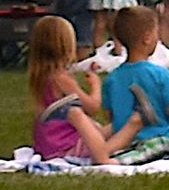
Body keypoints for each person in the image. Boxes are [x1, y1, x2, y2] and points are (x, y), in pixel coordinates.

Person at [27, 15, 143, 164]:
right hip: (66, 146)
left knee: (110, 126)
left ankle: (135, 118)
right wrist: (96, 85)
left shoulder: (41, 76)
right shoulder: (62, 78)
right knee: (116, 128)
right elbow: (92, 107)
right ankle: (134, 123)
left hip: (50, 144)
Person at [100, 6, 169, 164]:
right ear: (147, 38)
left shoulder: (112, 78)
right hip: (158, 138)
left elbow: (109, 115)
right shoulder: (160, 74)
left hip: (123, 144)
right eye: (156, 33)